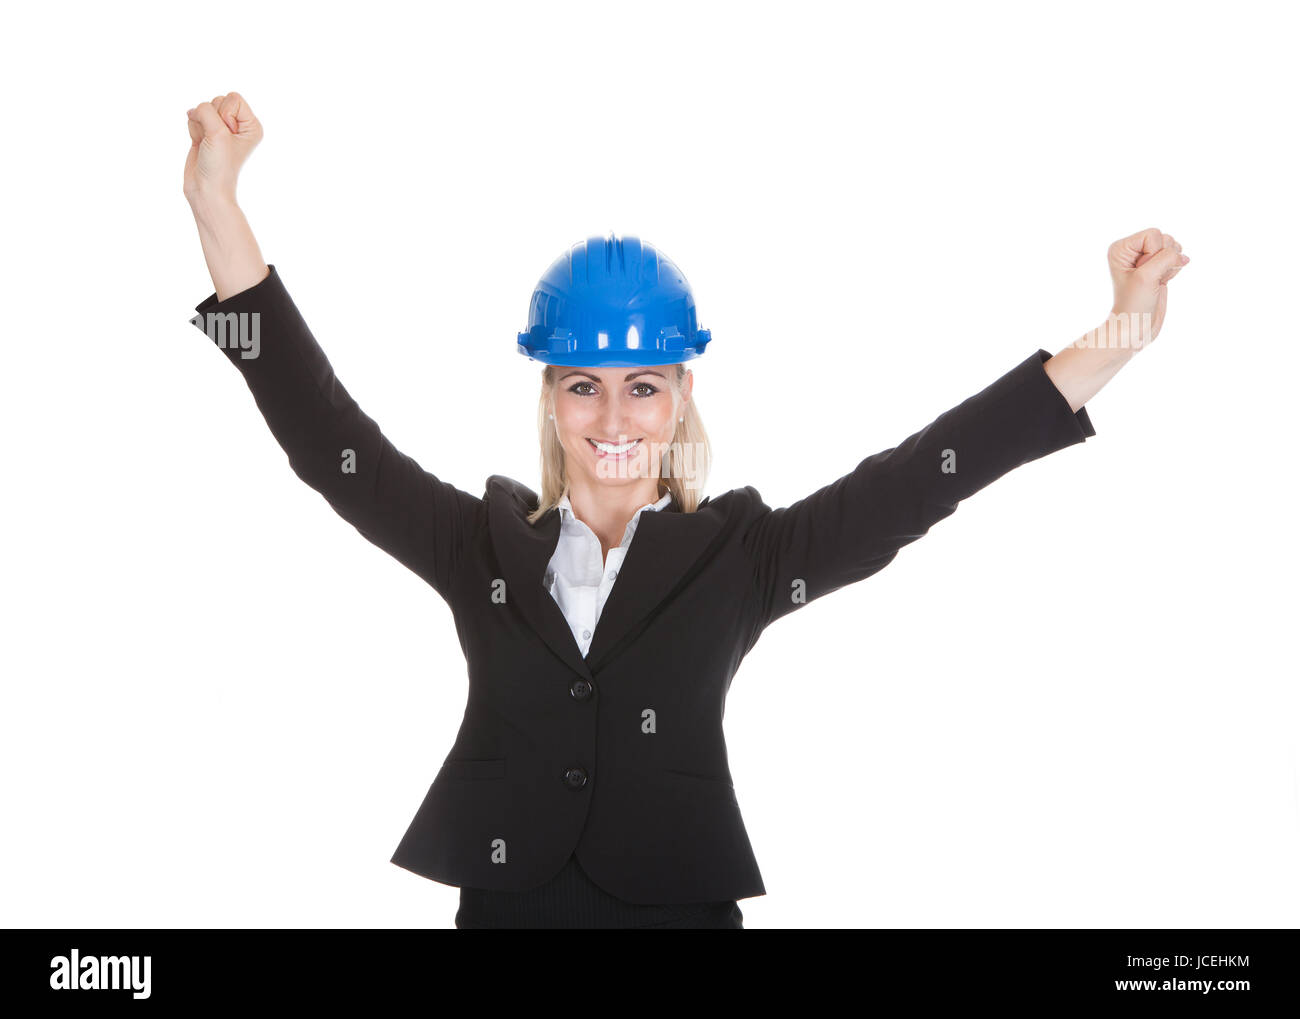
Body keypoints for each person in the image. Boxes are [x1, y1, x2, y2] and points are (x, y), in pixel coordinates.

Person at [183, 92, 1189, 929]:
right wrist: (215, 200)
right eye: (584, 384)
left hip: (680, 908)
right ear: (549, 396)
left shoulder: (743, 557)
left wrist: (1121, 332)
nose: (614, 415)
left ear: (682, 395)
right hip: (506, 909)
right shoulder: (476, 543)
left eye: (643, 385)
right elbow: (327, 442)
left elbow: (925, 474)